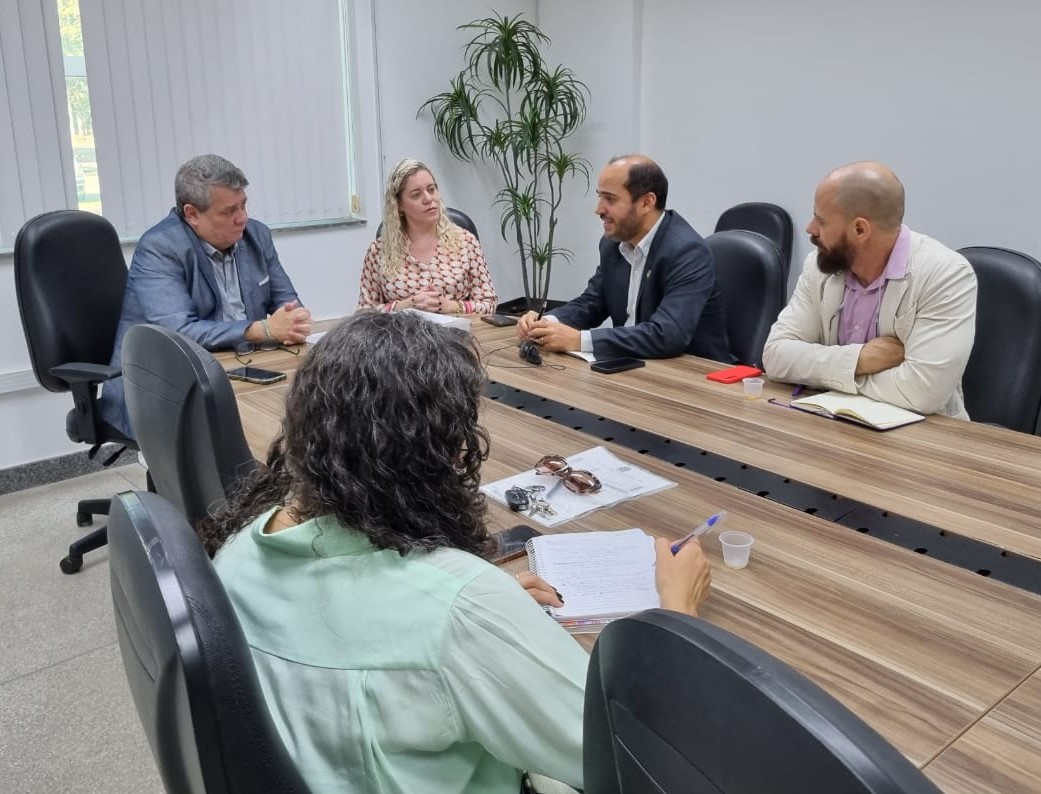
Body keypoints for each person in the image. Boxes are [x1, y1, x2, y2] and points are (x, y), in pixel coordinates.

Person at [199, 311, 712, 794]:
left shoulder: (240, 550)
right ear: (431, 458)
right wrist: (679, 618)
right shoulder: (463, 613)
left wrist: (467, 600)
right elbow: (633, 760)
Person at [99, 154, 312, 436]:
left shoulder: (256, 235)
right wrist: (260, 330)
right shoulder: (160, 247)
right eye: (228, 211)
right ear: (192, 214)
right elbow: (178, 332)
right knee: (240, 433)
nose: (242, 218)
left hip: (244, 370)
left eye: (244, 205)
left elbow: (288, 304)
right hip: (166, 381)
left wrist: (294, 321)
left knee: (308, 406)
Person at [762, 161, 977, 418]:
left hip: (922, 440)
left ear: (860, 229)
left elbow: (922, 393)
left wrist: (824, 374)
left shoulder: (946, 274)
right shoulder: (818, 267)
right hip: (832, 427)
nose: (810, 229)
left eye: (821, 220)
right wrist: (860, 360)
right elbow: (776, 356)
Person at [516, 155, 733, 362]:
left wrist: (578, 340)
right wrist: (547, 323)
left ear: (647, 203)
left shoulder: (687, 251)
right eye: (599, 196)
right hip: (632, 366)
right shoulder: (613, 244)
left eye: (609, 199)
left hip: (693, 379)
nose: (598, 209)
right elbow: (593, 302)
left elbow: (668, 335)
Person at [358, 158, 498, 315]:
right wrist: (404, 306)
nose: (428, 199)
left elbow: (489, 303)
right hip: (402, 336)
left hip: (457, 334)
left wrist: (451, 306)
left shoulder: (466, 242)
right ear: (399, 205)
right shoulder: (379, 251)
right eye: (416, 195)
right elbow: (364, 314)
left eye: (431, 190)